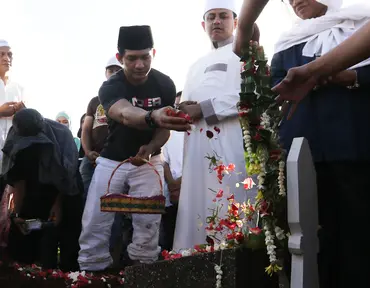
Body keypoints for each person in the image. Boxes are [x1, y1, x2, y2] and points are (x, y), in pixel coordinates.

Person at [270, 1, 370, 287]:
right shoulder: (287, 42)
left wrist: (353, 76)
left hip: (358, 149)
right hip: (303, 155)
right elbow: (274, 95)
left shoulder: (364, 23)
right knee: (315, 238)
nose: (295, 0)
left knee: (362, 236)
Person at [77, 25, 190, 272]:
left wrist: (151, 146)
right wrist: (152, 117)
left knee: (149, 222)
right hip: (112, 159)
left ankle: (142, 272)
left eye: (145, 57)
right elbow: (124, 113)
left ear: (154, 53)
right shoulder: (110, 87)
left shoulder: (165, 84)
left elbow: (165, 129)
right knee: (95, 221)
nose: (139, 64)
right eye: (132, 58)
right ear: (120, 58)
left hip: (149, 161)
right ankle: (92, 273)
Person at [173, 0, 258, 252]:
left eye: (223, 16)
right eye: (211, 17)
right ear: (204, 24)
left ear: (235, 21)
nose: (217, 21)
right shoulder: (195, 65)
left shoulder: (245, 51)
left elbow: (252, 96)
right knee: (197, 206)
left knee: (231, 201)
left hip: (232, 144)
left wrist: (204, 108)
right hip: (196, 150)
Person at [2, 108, 83, 271]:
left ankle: (65, 277)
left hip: (65, 192)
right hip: (34, 190)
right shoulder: (15, 136)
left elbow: (66, 176)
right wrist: (17, 214)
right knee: (23, 236)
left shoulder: (62, 136)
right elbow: (19, 180)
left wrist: (58, 205)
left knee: (65, 241)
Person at [273, 9, 370, 103]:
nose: (297, 2)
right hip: (303, 123)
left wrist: (355, 76)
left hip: (359, 118)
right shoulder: (287, 42)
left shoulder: (365, 21)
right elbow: (274, 85)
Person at [80, 56, 122, 199]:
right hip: (93, 158)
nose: (114, 73)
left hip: (117, 160)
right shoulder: (94, 101)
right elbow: (86, 129)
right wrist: (87, 151)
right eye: (111, 70)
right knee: (87, 199)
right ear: (105, 73)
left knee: (113, 205)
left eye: (118, 70)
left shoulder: (129, 99)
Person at [159, 91, 184, 251]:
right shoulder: (168, 133)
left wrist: (180, 184)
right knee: (169, 235)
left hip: (190, 190)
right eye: (176, 106)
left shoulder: (199, 131)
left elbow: (196, 161)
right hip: (171, 192)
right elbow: (164, 161)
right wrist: (173, 185)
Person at [0, 39, 25, 196]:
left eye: (9, 54)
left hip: (9, 155)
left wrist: (22, 112)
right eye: (1, 54)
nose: (6, 58)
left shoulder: (18, 88)